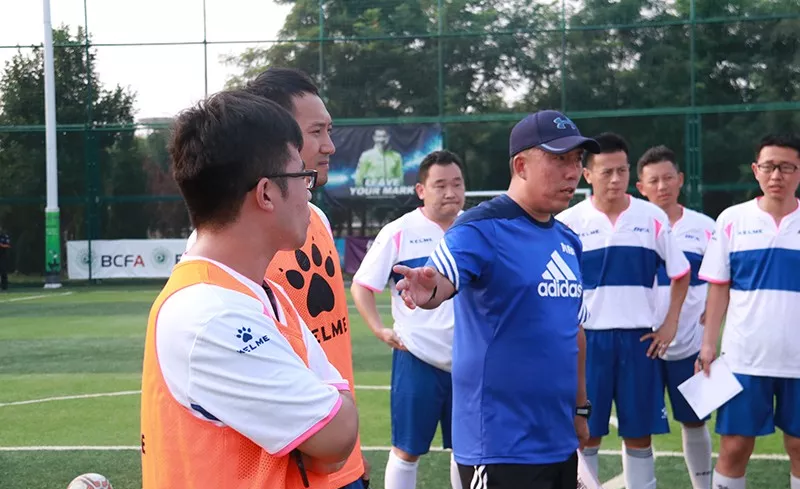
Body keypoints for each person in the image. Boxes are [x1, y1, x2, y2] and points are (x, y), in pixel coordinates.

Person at [142, 90, 359, 489]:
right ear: (265, 193)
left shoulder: (263, 293)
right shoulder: (210, 316)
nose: (309, 190)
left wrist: (327, 431)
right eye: (301, 176)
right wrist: (326, 426)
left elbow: (332, 449)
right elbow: (337, 434)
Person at [392, 110, 597, 489]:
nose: (573, 172)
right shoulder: (480, 227)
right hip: (499, 446)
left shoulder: (568, 240)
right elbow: (442, 280)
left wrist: (580, 408)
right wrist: (429, 290)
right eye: (559, 159)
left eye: (577, 160)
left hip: (559, 441)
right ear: (520, 165)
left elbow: (574, 333)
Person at [555, 132, 691, 489]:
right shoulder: (568, 223)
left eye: (622, 171)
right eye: (606, 172)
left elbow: (681, 274)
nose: (615, 179)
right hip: (587, 343)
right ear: (587, 175)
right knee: (586, 434)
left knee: (639, 435)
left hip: (638, 341)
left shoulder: (652, 217)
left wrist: (670, 324)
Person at [350, 150, 466, 489]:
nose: (450, 193)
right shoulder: (399, 231)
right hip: (417, 356)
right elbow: (362, 285)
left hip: (470, 360)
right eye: (440, 185)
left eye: (457, 184)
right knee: (406, 451)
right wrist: (379, 329)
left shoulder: (476, 228)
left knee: (468, 450)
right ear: (421, 190)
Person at [697, 133, 800, 489]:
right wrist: (707, 344)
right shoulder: (732, 219)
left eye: (786, 167)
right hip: (744, 359)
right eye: (769, 167)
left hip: (798, 360)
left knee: (799, 446)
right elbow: (719, 288)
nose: (777, 175)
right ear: (756, 170)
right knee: (735, 447)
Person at [635, 145, 715, 489]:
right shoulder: (634, 226)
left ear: (681, 180)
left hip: (691, 343)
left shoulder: (706, 227)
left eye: (668, 178)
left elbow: (723, 279)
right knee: (638, 426)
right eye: (654, 180)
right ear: (641, 187)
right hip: (642, 343)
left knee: (695, 421)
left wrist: (714, 310)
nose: (662, 186)